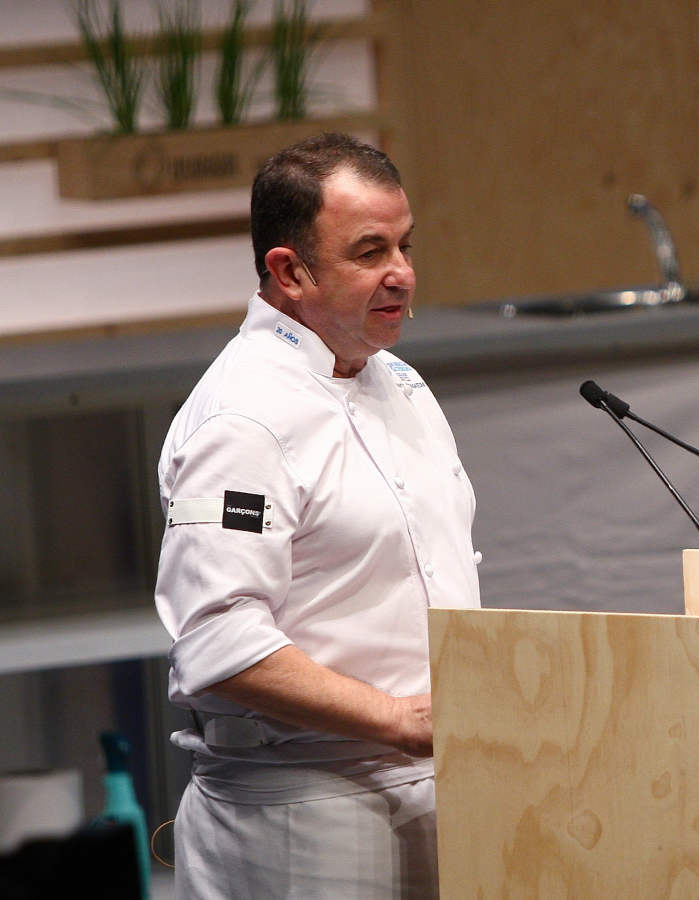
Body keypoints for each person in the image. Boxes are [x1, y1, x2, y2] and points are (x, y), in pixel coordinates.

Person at [153, 133, 481, 898]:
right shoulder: (241, 418)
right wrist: (398, 721)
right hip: (301, 807)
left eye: (404, 245)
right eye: (369, 251)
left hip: (444, 786)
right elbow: (217, 639)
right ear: (289, 269)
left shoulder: (399, 382)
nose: (400, 273)